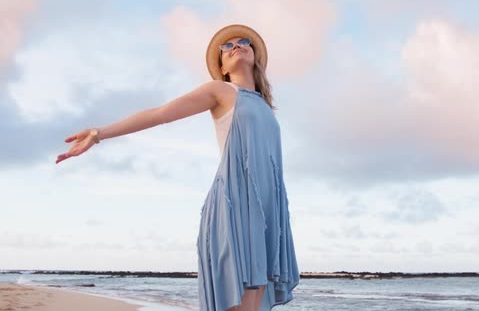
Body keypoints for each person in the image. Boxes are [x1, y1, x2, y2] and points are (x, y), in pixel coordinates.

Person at [55, 24, 300, 311]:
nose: (236, 46)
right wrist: (98, 134)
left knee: (255, 302)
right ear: (221, 67)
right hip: (234, 205)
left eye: (243, 42)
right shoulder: (221, 91)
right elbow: (160, 114)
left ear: (255, 55)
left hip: (267, 212)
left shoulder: (264, 105)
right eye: (227, 46)